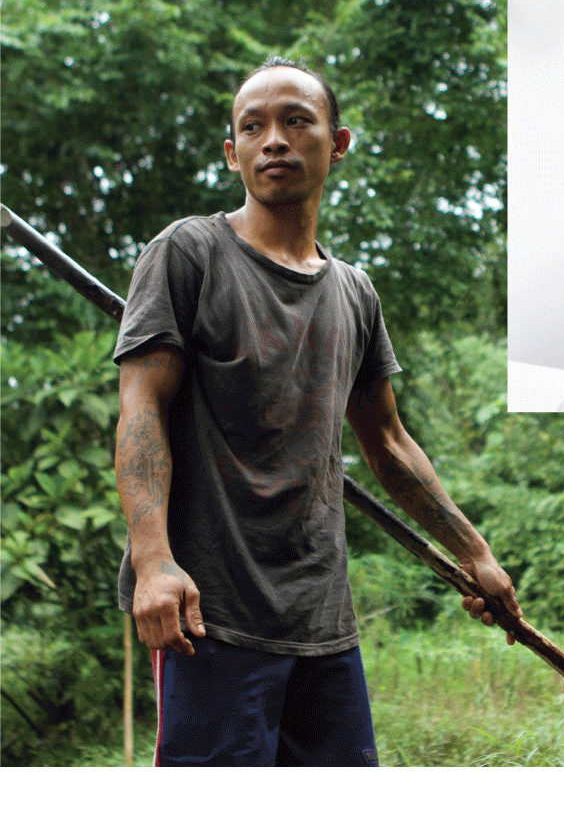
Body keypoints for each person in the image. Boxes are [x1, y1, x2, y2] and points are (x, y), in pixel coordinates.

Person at [113, 58, 520, 766]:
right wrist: (153, 564)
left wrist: (475, 554)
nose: (274, 139)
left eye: (296, 120)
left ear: (338, 142)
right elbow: (141, 407)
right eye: (253, 126)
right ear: (232, 152)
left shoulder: (355, 293)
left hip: (323, 624)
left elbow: (388, 443)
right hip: (209, 619)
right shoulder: (188, 254)